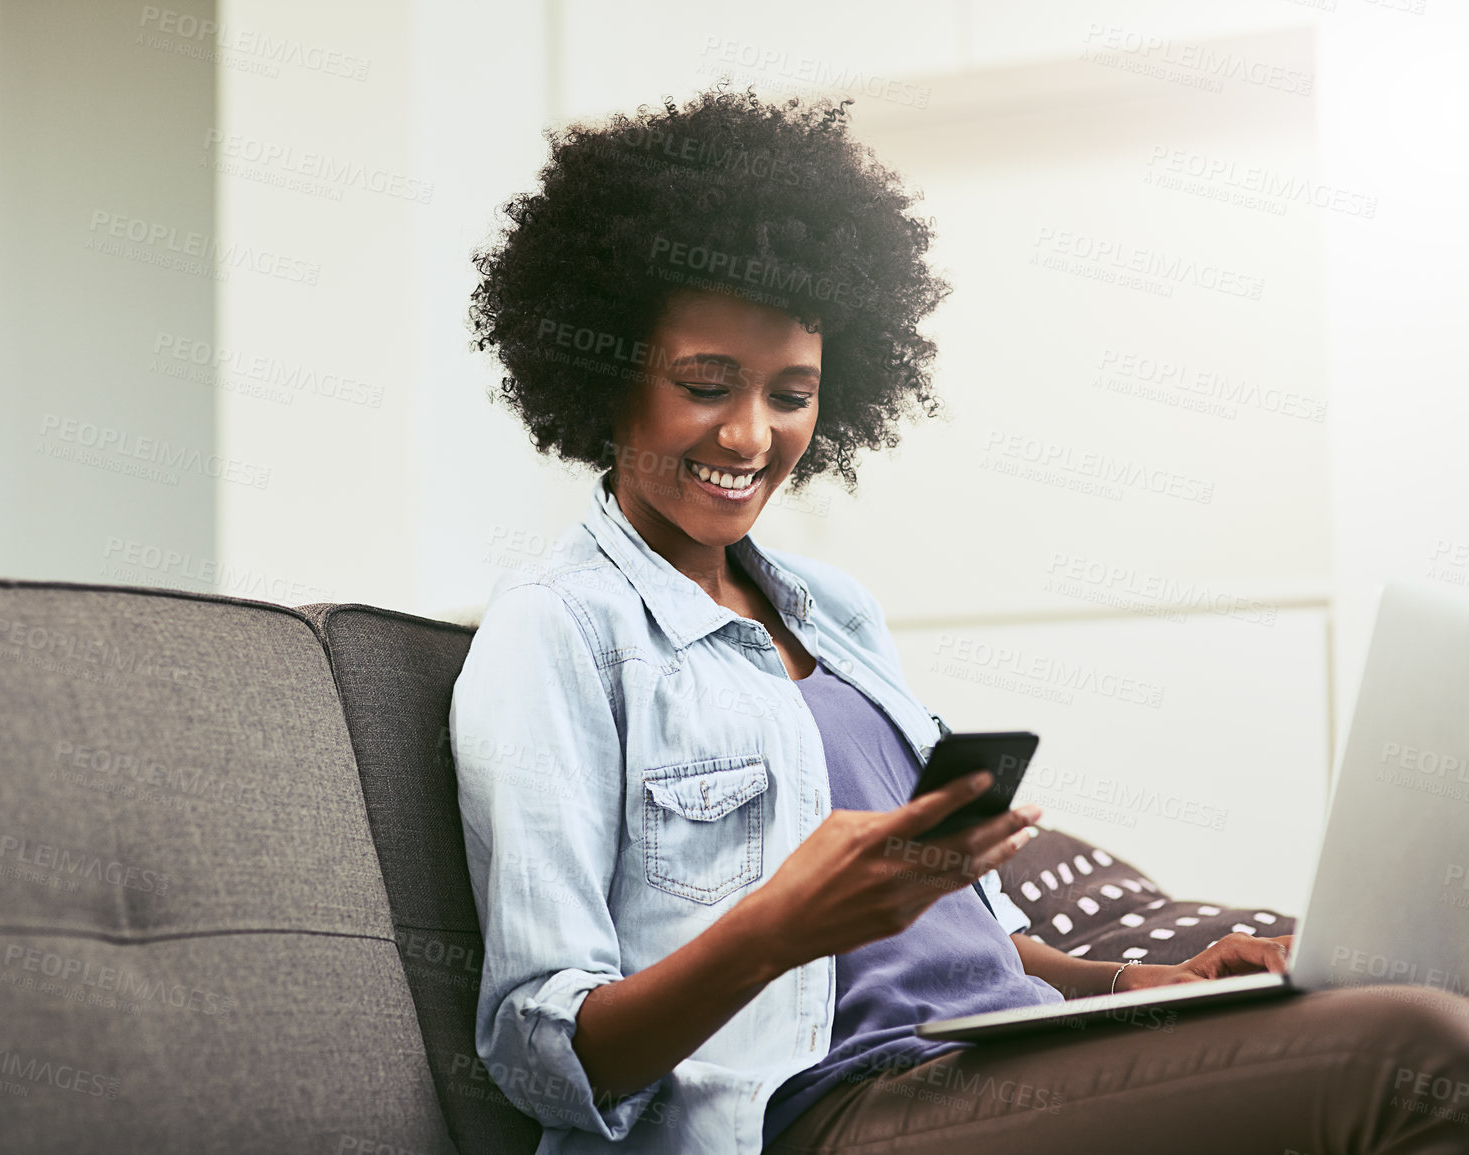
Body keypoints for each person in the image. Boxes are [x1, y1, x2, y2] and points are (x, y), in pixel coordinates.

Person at [449, 85, 1469, 1154]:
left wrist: (1129, 984)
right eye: (706, 384)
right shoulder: (555, 633)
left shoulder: (837, 615)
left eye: (790, 395)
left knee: (1407, 1010)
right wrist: (777, 929)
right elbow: (540, 1051)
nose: (750, 436)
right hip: (820, 1115)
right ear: (605, 374)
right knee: (1408, 1051)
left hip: (992, 1066)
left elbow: (948, 948)